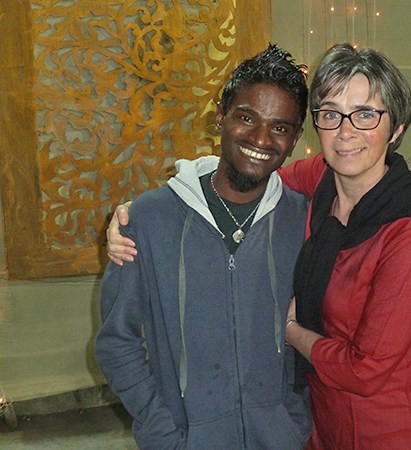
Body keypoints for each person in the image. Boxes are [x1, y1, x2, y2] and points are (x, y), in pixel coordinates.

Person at [108, 43, 411, 449]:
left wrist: (291, 333)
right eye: (331, 114)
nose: (346, 132)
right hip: (319, 425)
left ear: (396, 129)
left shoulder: (408, 230)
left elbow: (367, 370)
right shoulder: (319, 182)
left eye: (365, 115)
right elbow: (250, 173)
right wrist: (146, 211)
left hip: (385, 427)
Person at [95, 44, 312, 450]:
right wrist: (163, 434)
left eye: (280, 128)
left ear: (296, 138)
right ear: (220, 117)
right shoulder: (150, 219)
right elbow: (116, 341)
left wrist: (292, 422)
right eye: (246, 118)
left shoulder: (302, 220)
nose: (260, 138)